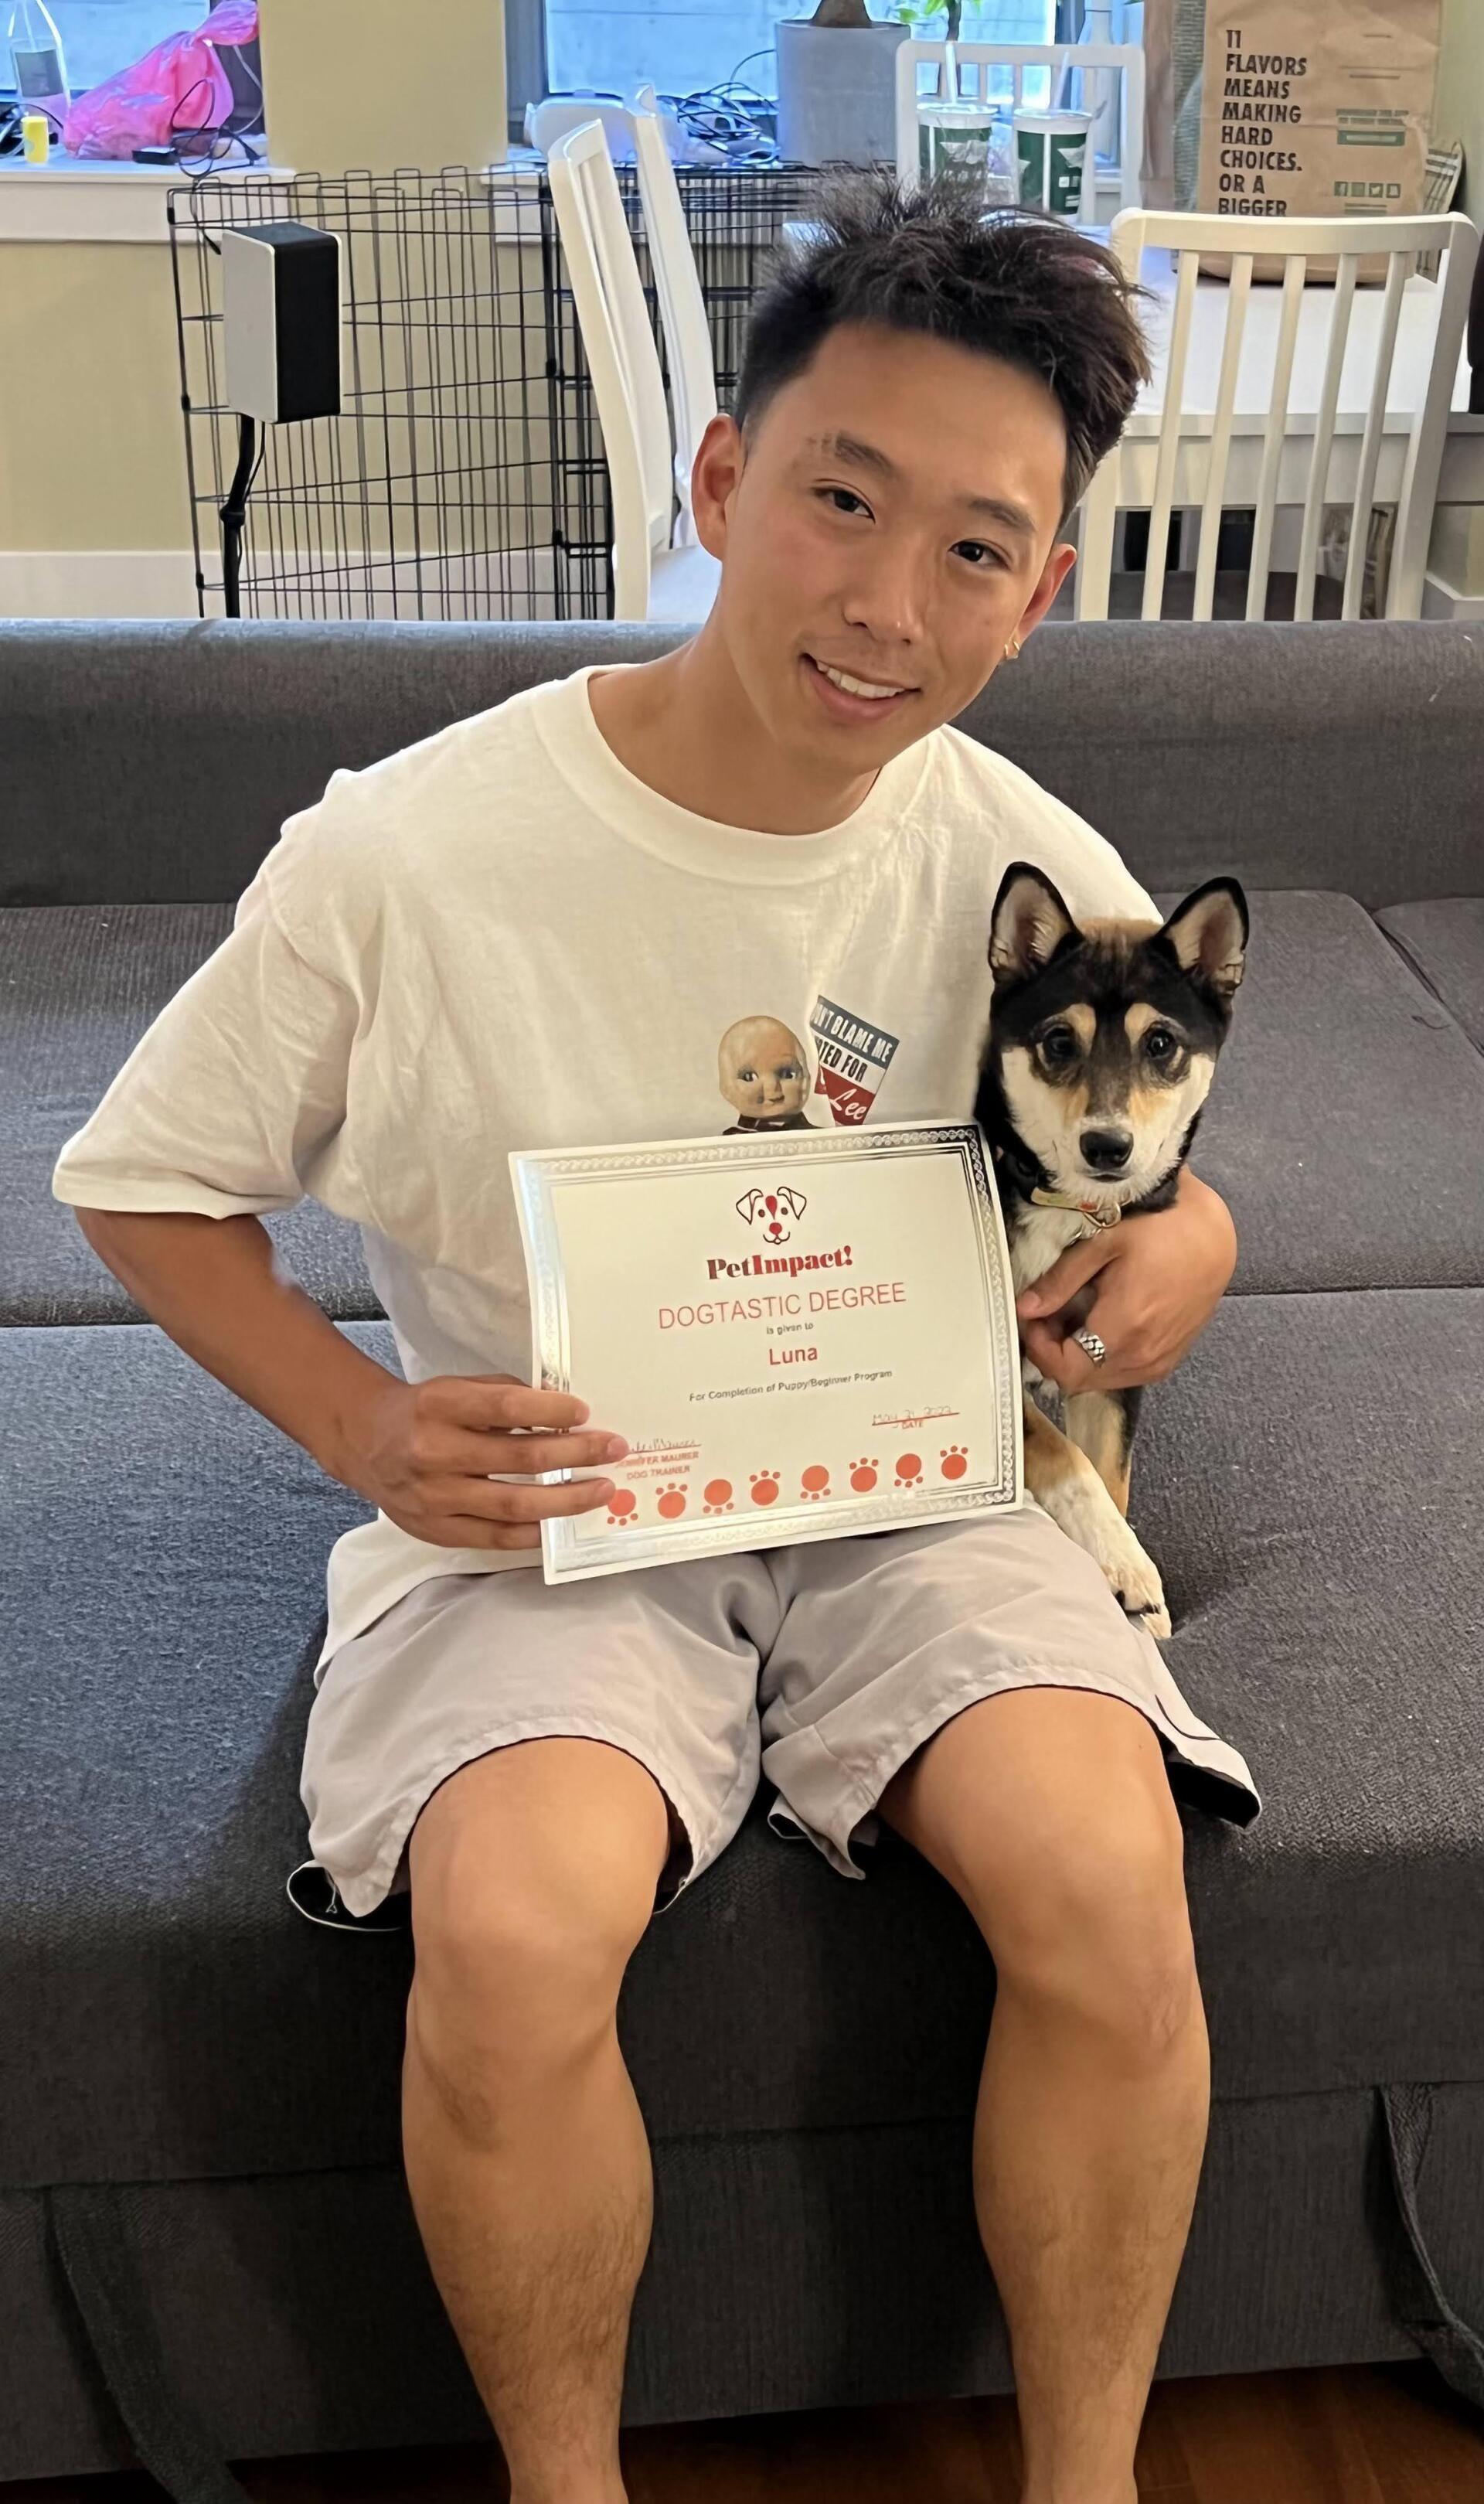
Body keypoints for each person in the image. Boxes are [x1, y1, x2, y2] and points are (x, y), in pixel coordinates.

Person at [53, 169, 1261, 2504]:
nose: (889, 603)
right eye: (840, 499)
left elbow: (1147, 1139)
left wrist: (1199, 1238)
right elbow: (138, 1179)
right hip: (560, 1498)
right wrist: (371, 1426)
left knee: (1108, 1878)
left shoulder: (1024, 851)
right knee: (512, 1934)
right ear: (720, 482)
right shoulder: (401, 855)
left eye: (980, 549)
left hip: (927, 1477)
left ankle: (1090, 2482)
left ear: (1050, 585)